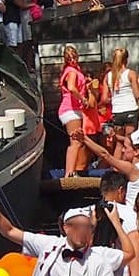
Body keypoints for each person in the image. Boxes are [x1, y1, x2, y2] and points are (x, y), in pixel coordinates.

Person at [57, 46, 90, 178]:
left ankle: (73, 170)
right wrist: (83, 99)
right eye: (69, 58)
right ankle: (69, 172)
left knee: (78, 141)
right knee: (75, 141)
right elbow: (71, 87)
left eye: (74, 57)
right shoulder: (71, 71)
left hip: (74, 109)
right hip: (70, 109)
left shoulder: (73, 70)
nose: (72, 60)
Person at [102, 47, 139, 130]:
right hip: (130, 109)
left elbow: (104, 99)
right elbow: (137, 95)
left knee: (119, 140)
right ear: (126, 59)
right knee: (129, 139)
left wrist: (114, 98)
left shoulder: (108, 76)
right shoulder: (131, 74)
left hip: (116, 111)